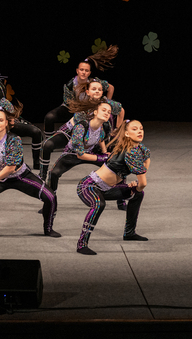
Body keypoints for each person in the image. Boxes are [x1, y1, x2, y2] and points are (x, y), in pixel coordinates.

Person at [0, 108, 60, 239]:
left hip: (19, 176)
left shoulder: (14, 139)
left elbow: (10, 168)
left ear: (6, 123)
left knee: (50, 197)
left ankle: (48, 228)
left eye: (0, 120)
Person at [76, 120, 150, 255]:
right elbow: (143, 183)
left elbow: (146, 161)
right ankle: (82, 244)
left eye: (141, 128)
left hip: (108, 188)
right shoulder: (131, 151)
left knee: (138, 194)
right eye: (134, 129)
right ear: (126, 134)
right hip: (89, 186)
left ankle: (129, 233)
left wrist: (136, 186)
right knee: (99, 204)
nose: (139, 131)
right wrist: (138, 186)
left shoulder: (141, 149)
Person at [39, 80, 124, 181]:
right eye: (94, 89)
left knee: (113, 154)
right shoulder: (83, 104)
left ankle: (113, 181)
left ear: (102, 92)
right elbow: (78, 131)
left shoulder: (105, 103)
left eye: (99, 89)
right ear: (88, 92)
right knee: (47, 144)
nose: (97, 91)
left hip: (90, 136)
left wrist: (117, 129)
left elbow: (121, 110)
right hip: (72, 132)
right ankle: (42, 175)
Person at [43, 45, 118, 140]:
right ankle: (49, 141)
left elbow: (111, 88)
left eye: (86, 70)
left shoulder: (93, 83)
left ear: (89, 73)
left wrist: (106, 104)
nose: (83, 72)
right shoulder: (70, 85)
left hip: (88, 110)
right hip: (71, 109)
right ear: (77, 71)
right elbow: (69, 104)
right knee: (49, 117)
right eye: (81, 70)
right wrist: (79, 111)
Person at [48, 101, 112, 194]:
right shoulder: (81, 127)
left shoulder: (105, 126)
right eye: (104, 110)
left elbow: (100, 138)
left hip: (91, 152)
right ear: (95, 112)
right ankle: (51, 198)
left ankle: (120, 197)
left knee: (116, 165)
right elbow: (80, 155)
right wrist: (101, 158)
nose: (106, 113)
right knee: (54, 173)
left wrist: (104, 152)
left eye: (109, 112)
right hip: (73, 154)